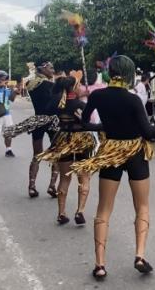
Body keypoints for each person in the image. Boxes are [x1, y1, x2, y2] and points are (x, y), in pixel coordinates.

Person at [71, 55, 155, 279]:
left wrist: (103, 125)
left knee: (103, 209)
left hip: (111, 152)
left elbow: (84, 123)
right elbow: (149, 134)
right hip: (135, 154)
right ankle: (139, 256)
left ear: (110, 72)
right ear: (130, 73)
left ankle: (100, 265)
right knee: (142, 206)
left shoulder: (98, 96)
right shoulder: (132, 100)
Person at [38, 76, 100, 225]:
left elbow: (48, 110)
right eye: (78, 86)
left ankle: (61, 213)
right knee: (84, 177)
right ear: (73, 87)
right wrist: (102, 127)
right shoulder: (79, 105)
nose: (81, 89)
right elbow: (87, 124)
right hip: (82, 141)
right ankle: (80, 211)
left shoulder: (58, 103)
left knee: (64, 178)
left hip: (63, 139)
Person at [25, 61, 59, 198]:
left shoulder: (30, 85)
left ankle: (31, 186)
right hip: (52, 121)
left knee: (36, 155)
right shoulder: (51, 85)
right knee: (57, 153)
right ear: (43, 69)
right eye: (51, 68)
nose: (53, 70)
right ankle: (52, 186)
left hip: (38, 120)